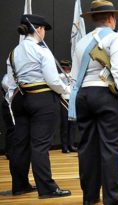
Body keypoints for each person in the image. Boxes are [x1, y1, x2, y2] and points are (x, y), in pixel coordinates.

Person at [70, 1, 118, 204]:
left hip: (83, 96)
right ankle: (114, 199)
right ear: (110, 18)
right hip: (106, 96)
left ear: (94, 19)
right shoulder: (115, 38)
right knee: (111, 149)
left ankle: (89, 198)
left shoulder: (81, 42)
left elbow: (74, 76)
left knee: (87, 149)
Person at [6, 14, 71, 198]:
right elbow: (52, 80)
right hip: (42, 99)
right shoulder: (42, 51)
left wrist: (15, 102)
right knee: (40, 145)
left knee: (20, 144)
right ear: (38, 29)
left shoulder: (13, 53)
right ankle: (47, 188)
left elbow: (10, 84)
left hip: (20, 99)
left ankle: (19, 185)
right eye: (44, 30)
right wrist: (65, 91)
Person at [59, 60, 77, 153]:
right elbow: (58, 79)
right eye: (66, 67)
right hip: (64, 100)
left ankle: (71, 145)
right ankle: (64, 146)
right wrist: (65, 75)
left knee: (73, 124)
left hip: (72, 99)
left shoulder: (73, 75)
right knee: (65, 125)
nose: (68, 69)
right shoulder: (60, 76)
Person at [1, 74, 14, 160]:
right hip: (9, 104)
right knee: (12, 129)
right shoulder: (8, 76)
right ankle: (10, 153)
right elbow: (5, 84)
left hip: (15, 105)